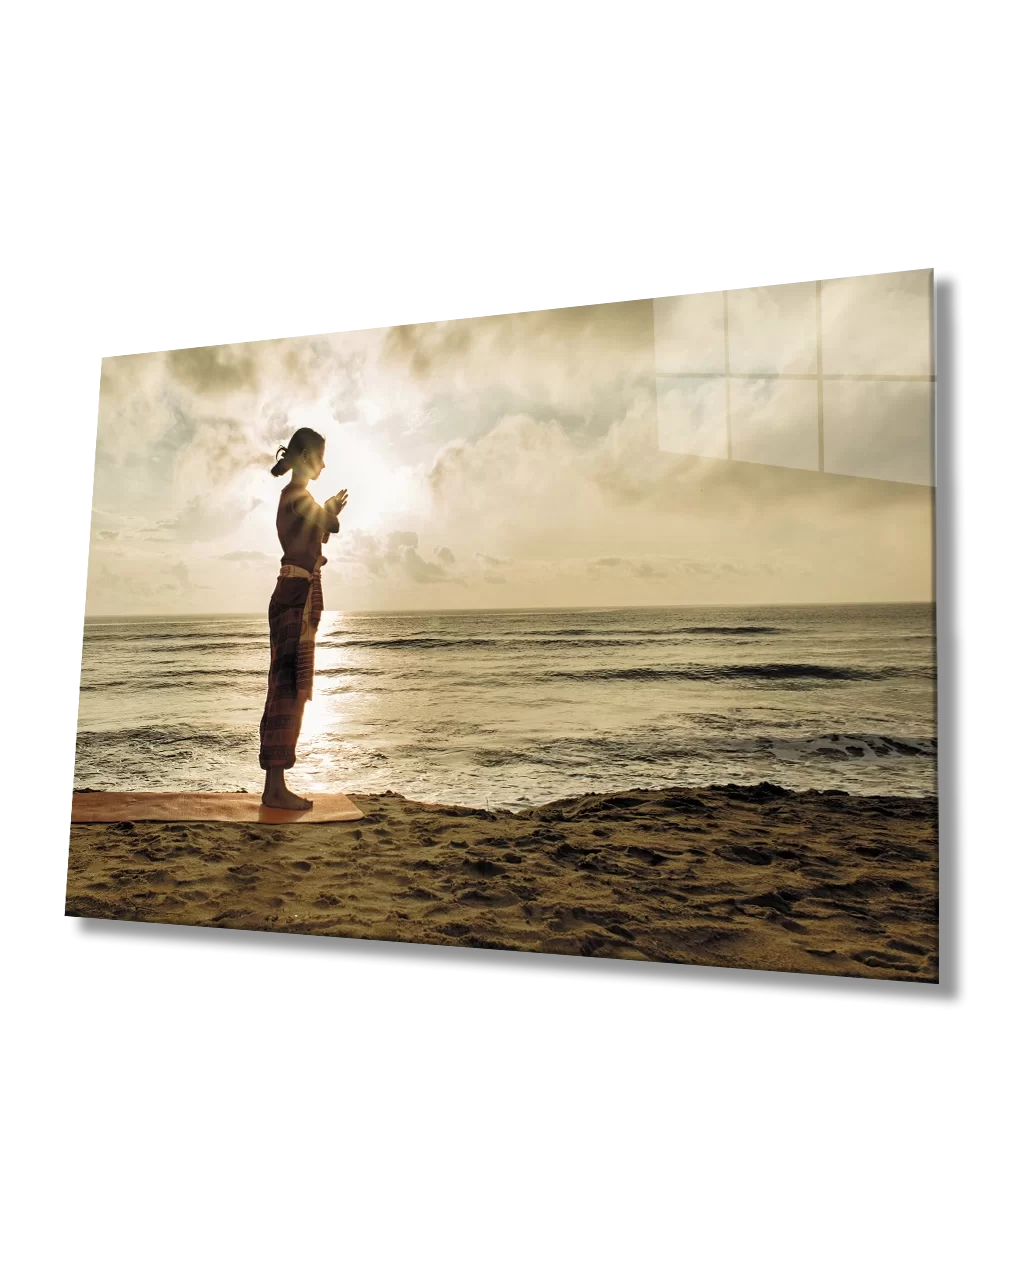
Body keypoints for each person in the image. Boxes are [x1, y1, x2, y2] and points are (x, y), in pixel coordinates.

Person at [259, 428, 348, 810]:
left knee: (292, 689)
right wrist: (328, 510)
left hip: (298, 594)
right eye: (321, 457)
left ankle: (275, 786)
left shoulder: (298, 499)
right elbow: (328, 525)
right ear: (307, 455)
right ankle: (274, 788)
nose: (324, 465)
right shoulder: (296, 496)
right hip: (294, 596)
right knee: (286, 688)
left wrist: (327, 512)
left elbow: (322, 529)